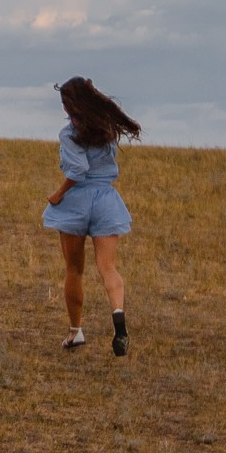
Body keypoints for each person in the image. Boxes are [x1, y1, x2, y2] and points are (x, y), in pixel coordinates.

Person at [41, 76, 140, 356]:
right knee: (108, 267)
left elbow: (77, 170)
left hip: (77, 201)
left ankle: (76, 331)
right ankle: (118, 316)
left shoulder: (69, 133)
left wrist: (58, 194)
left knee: (74, 269)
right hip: (106, 199)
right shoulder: (107, 128)